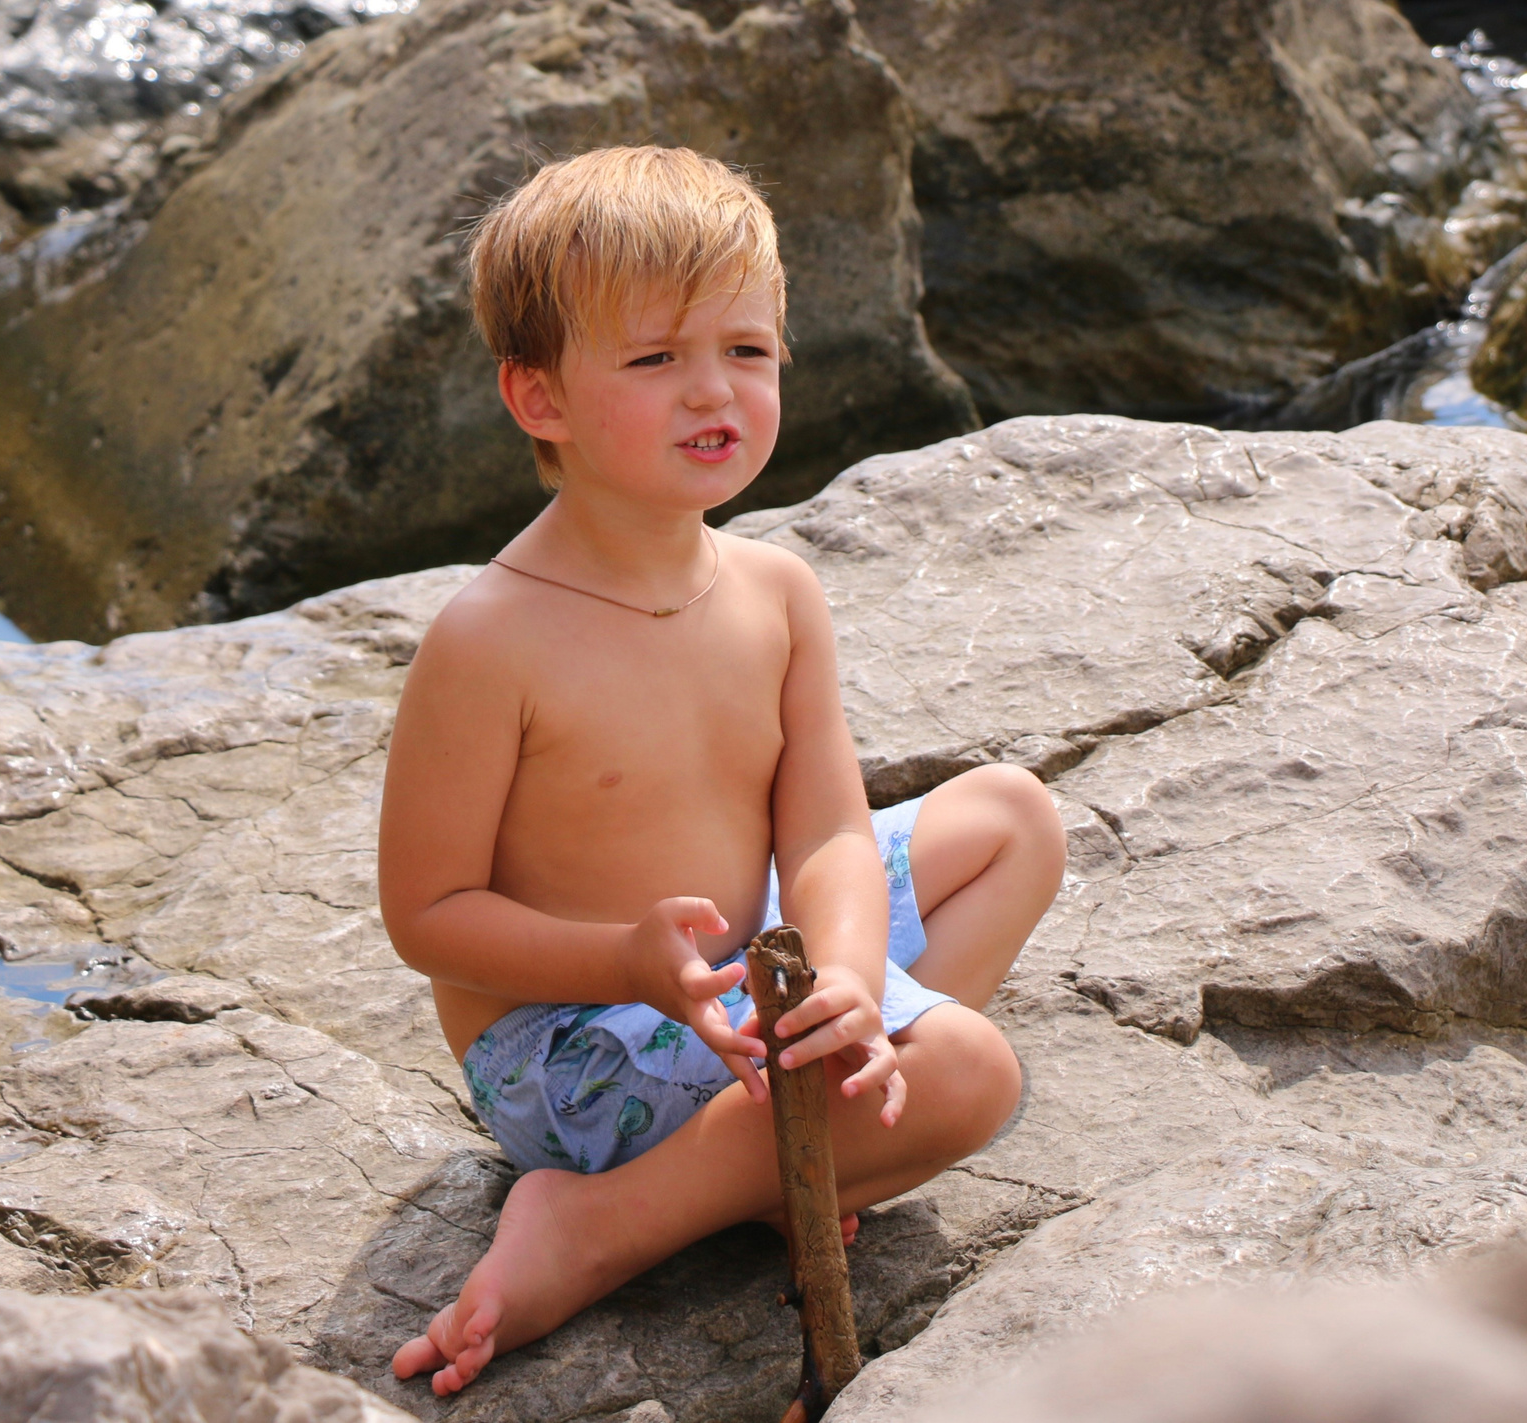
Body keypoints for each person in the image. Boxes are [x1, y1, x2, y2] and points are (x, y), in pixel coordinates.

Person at [378, 145, 1067, 1397]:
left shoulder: (777, 591)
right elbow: (427, 917)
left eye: (747, 349)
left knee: (1014, 818)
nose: (715, 390)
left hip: (757, 962)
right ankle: (604, 1218)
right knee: (974, 1071)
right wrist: (625, 960)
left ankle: (784, 1141)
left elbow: (830, 835)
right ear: (539, 398)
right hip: (579, 1036)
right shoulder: (491, 640)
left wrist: (845, 975)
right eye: (655, 360)